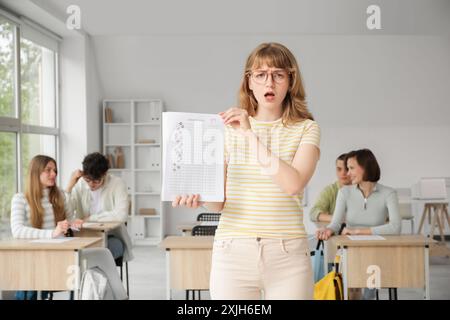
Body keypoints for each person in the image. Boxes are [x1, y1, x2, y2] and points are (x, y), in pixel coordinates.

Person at [173, 42, 321, 299]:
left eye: (278, 75)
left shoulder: (306, 129)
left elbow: (293, 184)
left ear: (290, 81)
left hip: (288, 255)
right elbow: (218, 204)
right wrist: (198, 197)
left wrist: (250, 134)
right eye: (261, 75)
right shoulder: (227, 129)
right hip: (233, 252)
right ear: (249, 82)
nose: (269, 83)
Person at [316, 149, 401, 300]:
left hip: (376, 252)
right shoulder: (344, 193)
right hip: (350, 251)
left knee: (370, 281)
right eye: (347, 168)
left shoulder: (388, 193)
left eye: (351, 168)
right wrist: (328, 230)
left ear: (366, 167)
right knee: (350, 283)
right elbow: (335, 224)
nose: (347, 173)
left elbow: (395, 227)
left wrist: (358, 231)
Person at [10, 155, 83, 300]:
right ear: (36, 173)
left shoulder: (60, 195)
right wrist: (52, 233)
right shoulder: (20, 199)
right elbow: (17, 230)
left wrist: (74, 225)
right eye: (48, 170)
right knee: (31, 281)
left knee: (34, 282)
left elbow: (69, 221)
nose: (54, 174)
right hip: (33, 258)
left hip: (59, 257)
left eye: (55, 170)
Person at [66, 152, 133, 262]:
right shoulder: (80, 184)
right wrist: (69, 186)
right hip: (83, 236)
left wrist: (91, 218)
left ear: (105, 173)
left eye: (96, 181)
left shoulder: (117, 184)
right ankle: (94, 277)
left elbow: (121, 215)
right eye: (88, 180)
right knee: (78, 254)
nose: (91, 184)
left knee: (99, 254)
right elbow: (66, 212)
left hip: (110, 236)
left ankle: (90, 276)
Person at [309, 153, 351, 223]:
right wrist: (338, 219)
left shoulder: (363, 189)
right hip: (335, 232)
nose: (343, 173)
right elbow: (313, 213)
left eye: (347, 169)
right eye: (339, 169)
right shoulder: (330, 191)